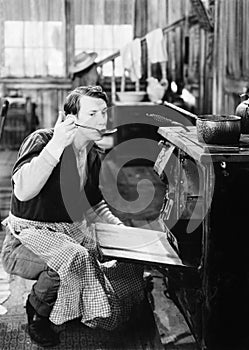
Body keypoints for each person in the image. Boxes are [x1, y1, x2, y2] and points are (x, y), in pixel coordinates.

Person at [1, 86, 145, 347]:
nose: (102, 120)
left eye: (104, 112)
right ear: (70, 119)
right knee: (73, 257)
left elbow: (95, 205)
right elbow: (22, 190)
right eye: (92, 113)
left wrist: (122, 231)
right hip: (23, 240)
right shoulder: (43, 141)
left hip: (66, 232)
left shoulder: (92, 156)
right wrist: (57, 144)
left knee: (108, 253)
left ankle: (82, 307)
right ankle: (37, 315)